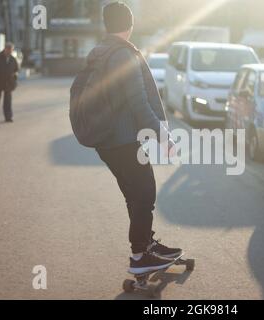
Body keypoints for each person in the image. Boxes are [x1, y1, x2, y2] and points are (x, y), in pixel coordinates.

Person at [90, 2, 182, 275]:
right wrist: (164, 137)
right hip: (122, 140)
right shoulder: (123, 55)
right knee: (145, 193)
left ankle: (146, 245)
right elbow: (139, 104)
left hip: (105, 140)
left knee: (134, 194)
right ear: (130, 25)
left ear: (107, 25)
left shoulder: (99, 52)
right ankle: (140, 256)